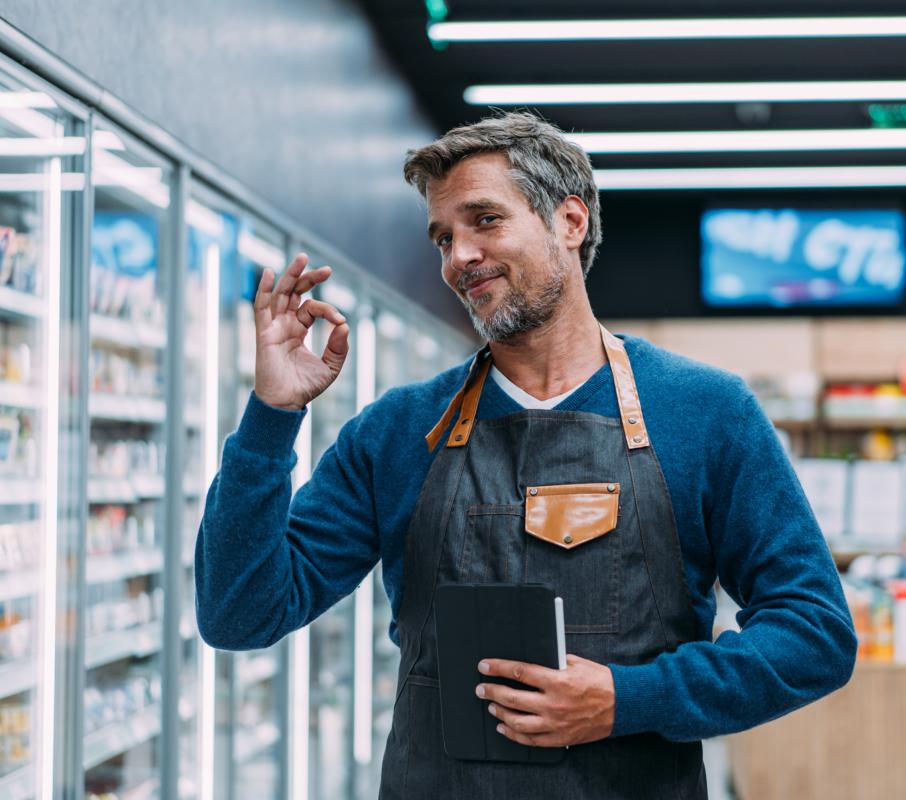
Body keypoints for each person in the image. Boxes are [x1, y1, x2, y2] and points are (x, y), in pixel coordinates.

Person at [195, 111, 856, 798]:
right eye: (442, 238)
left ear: (570, 222)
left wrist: (631, 698)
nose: (458, 257)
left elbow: (814, 635)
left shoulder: (704, 413)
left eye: (485, 220)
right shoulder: (397, 431)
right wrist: (272, 417)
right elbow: (239, 614)